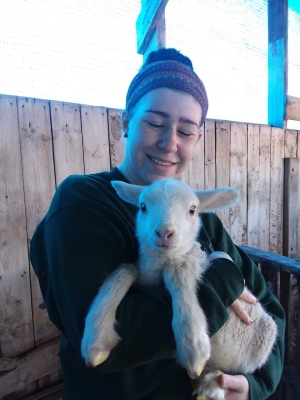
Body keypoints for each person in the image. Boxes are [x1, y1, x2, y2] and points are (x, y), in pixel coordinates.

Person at [30, 48, 285, 400]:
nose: (169, 143)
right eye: (154, 123)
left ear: (197, 139)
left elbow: (270, 307)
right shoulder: (84, 201)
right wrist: (222, 279)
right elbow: (117, 340)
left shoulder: (200, 218)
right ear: (125, 122)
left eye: (186, 130)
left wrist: (253, 386)